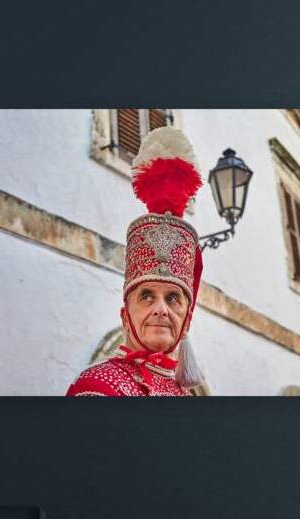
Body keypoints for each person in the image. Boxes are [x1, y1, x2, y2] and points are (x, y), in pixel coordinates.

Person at [66, 126, 205, 396]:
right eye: (146, 296)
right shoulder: (96, 385)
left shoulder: (184, 392)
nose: (161, 309)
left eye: (173, 298)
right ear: (125, 315)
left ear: (186, 320)